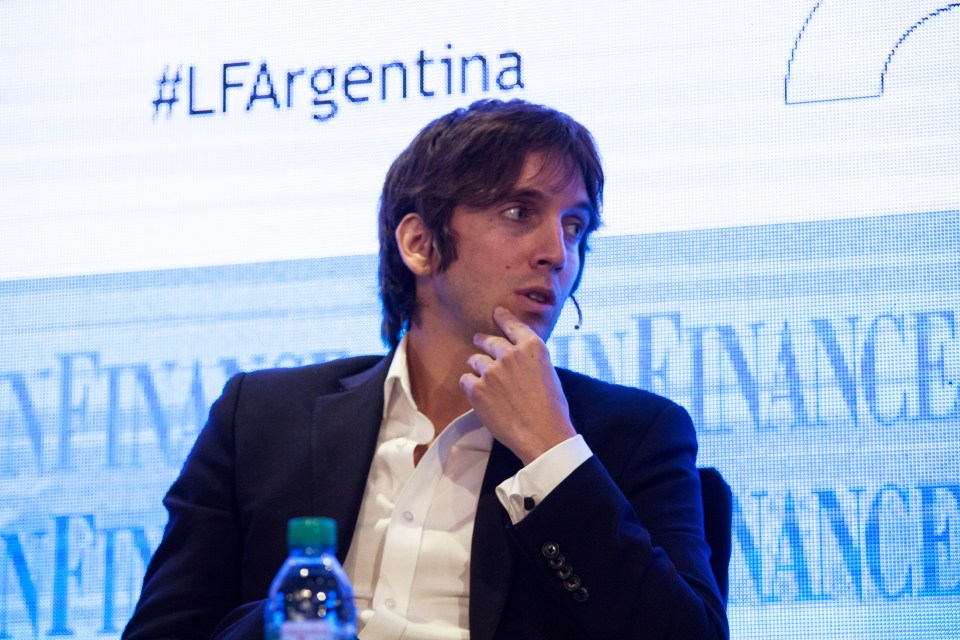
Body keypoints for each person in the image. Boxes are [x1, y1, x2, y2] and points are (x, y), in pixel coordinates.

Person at [122, 99, 729, 640]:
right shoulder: (259, 419)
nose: (557, 252)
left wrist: (551, 453)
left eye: (576, 227)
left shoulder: (633, 435)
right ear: (420, 244)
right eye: (520, 212)